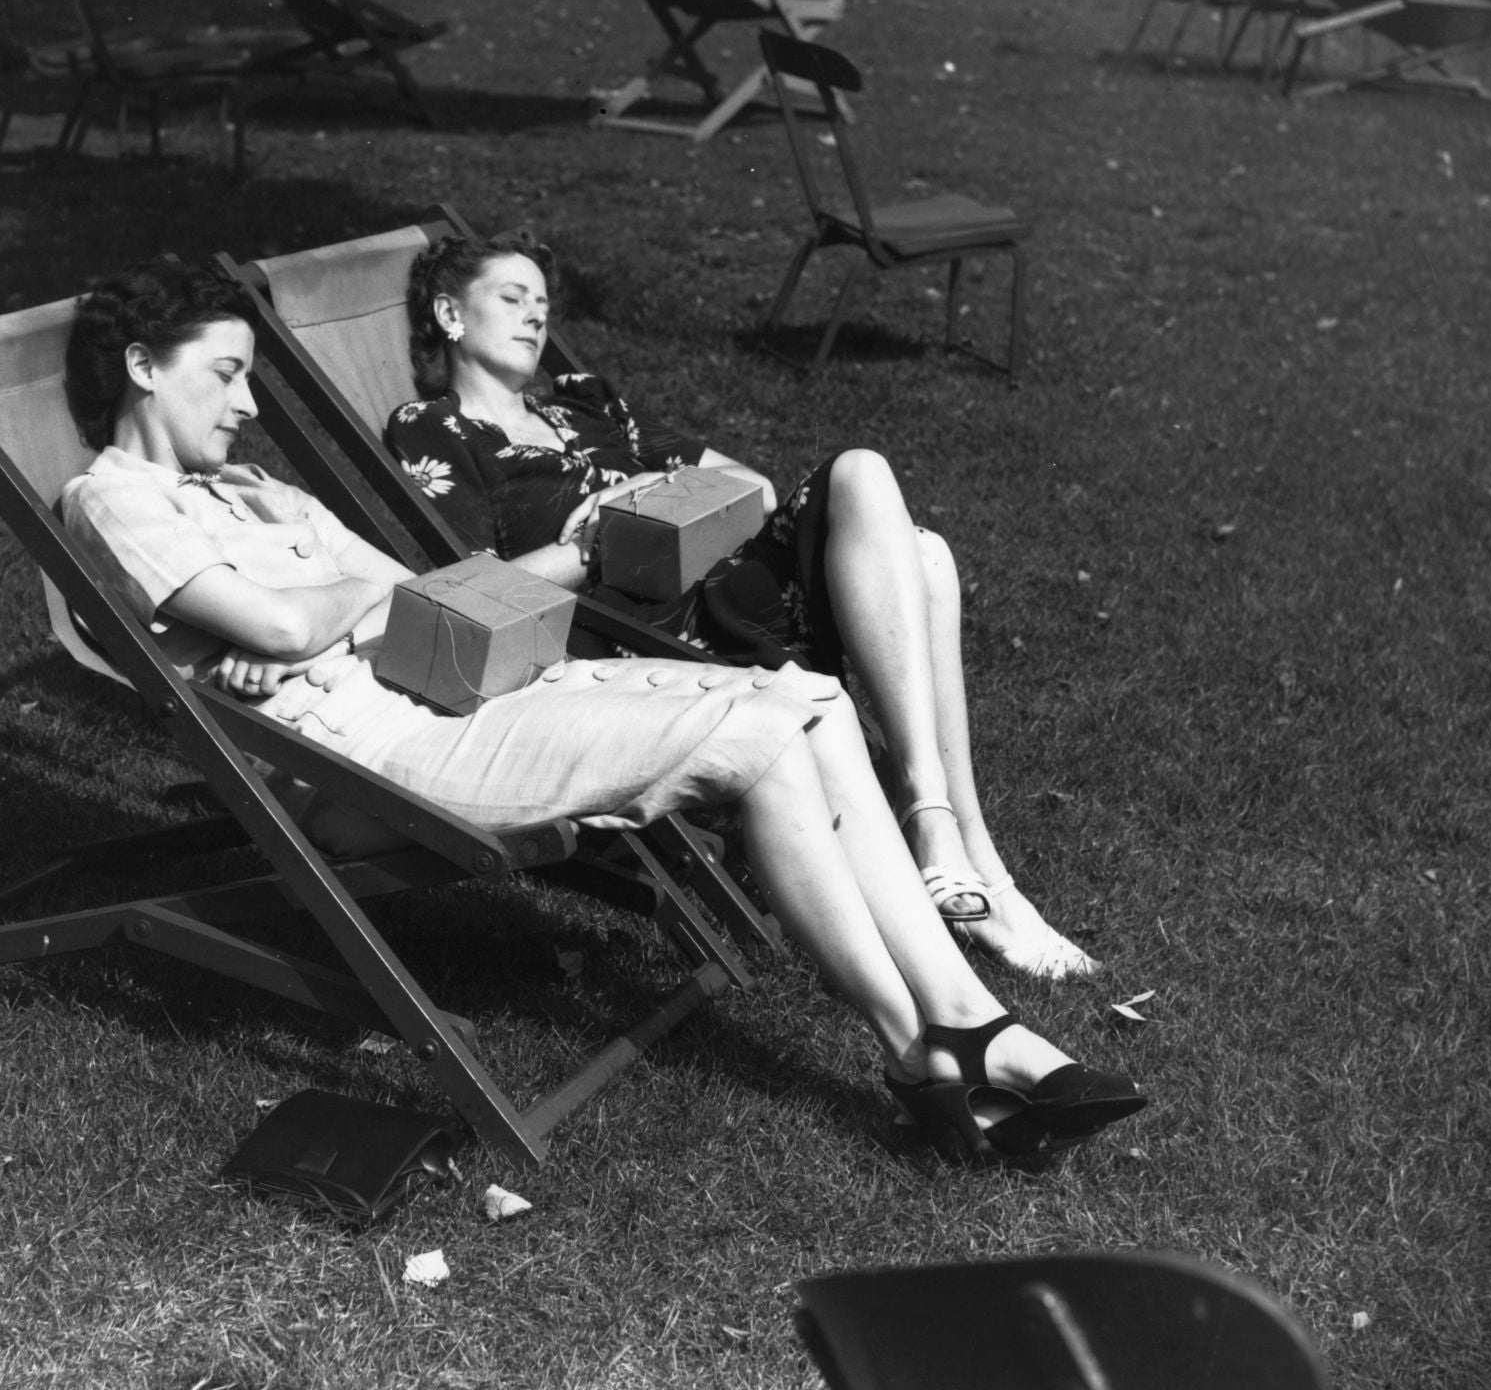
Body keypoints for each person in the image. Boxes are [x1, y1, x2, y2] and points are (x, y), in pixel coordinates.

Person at [57, 258, 1146, 1163]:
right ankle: (935, 1046)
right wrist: (304, 622)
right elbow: (310, 625)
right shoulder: (111, 498)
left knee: (806, 696)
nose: (249, 407)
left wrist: (307, 616)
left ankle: (960, 1031)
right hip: (377, 756)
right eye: (226, 377)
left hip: (442, 691)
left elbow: (414, 600)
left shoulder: (257, 493)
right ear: (143, 368)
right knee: (757, 736)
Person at [384, 233, 1095, 980]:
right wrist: (599, 536)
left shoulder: (584, 401)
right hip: (639, 632)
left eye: (542, 302)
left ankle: (943, 826)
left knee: (887, 505)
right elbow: (466, 597)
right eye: (511, 297)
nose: (535, 316)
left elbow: (749, 488)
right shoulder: (434, 429)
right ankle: (967, 859)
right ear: (449, 314)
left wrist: (649, 497)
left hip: (733, 587)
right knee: (918, 553)